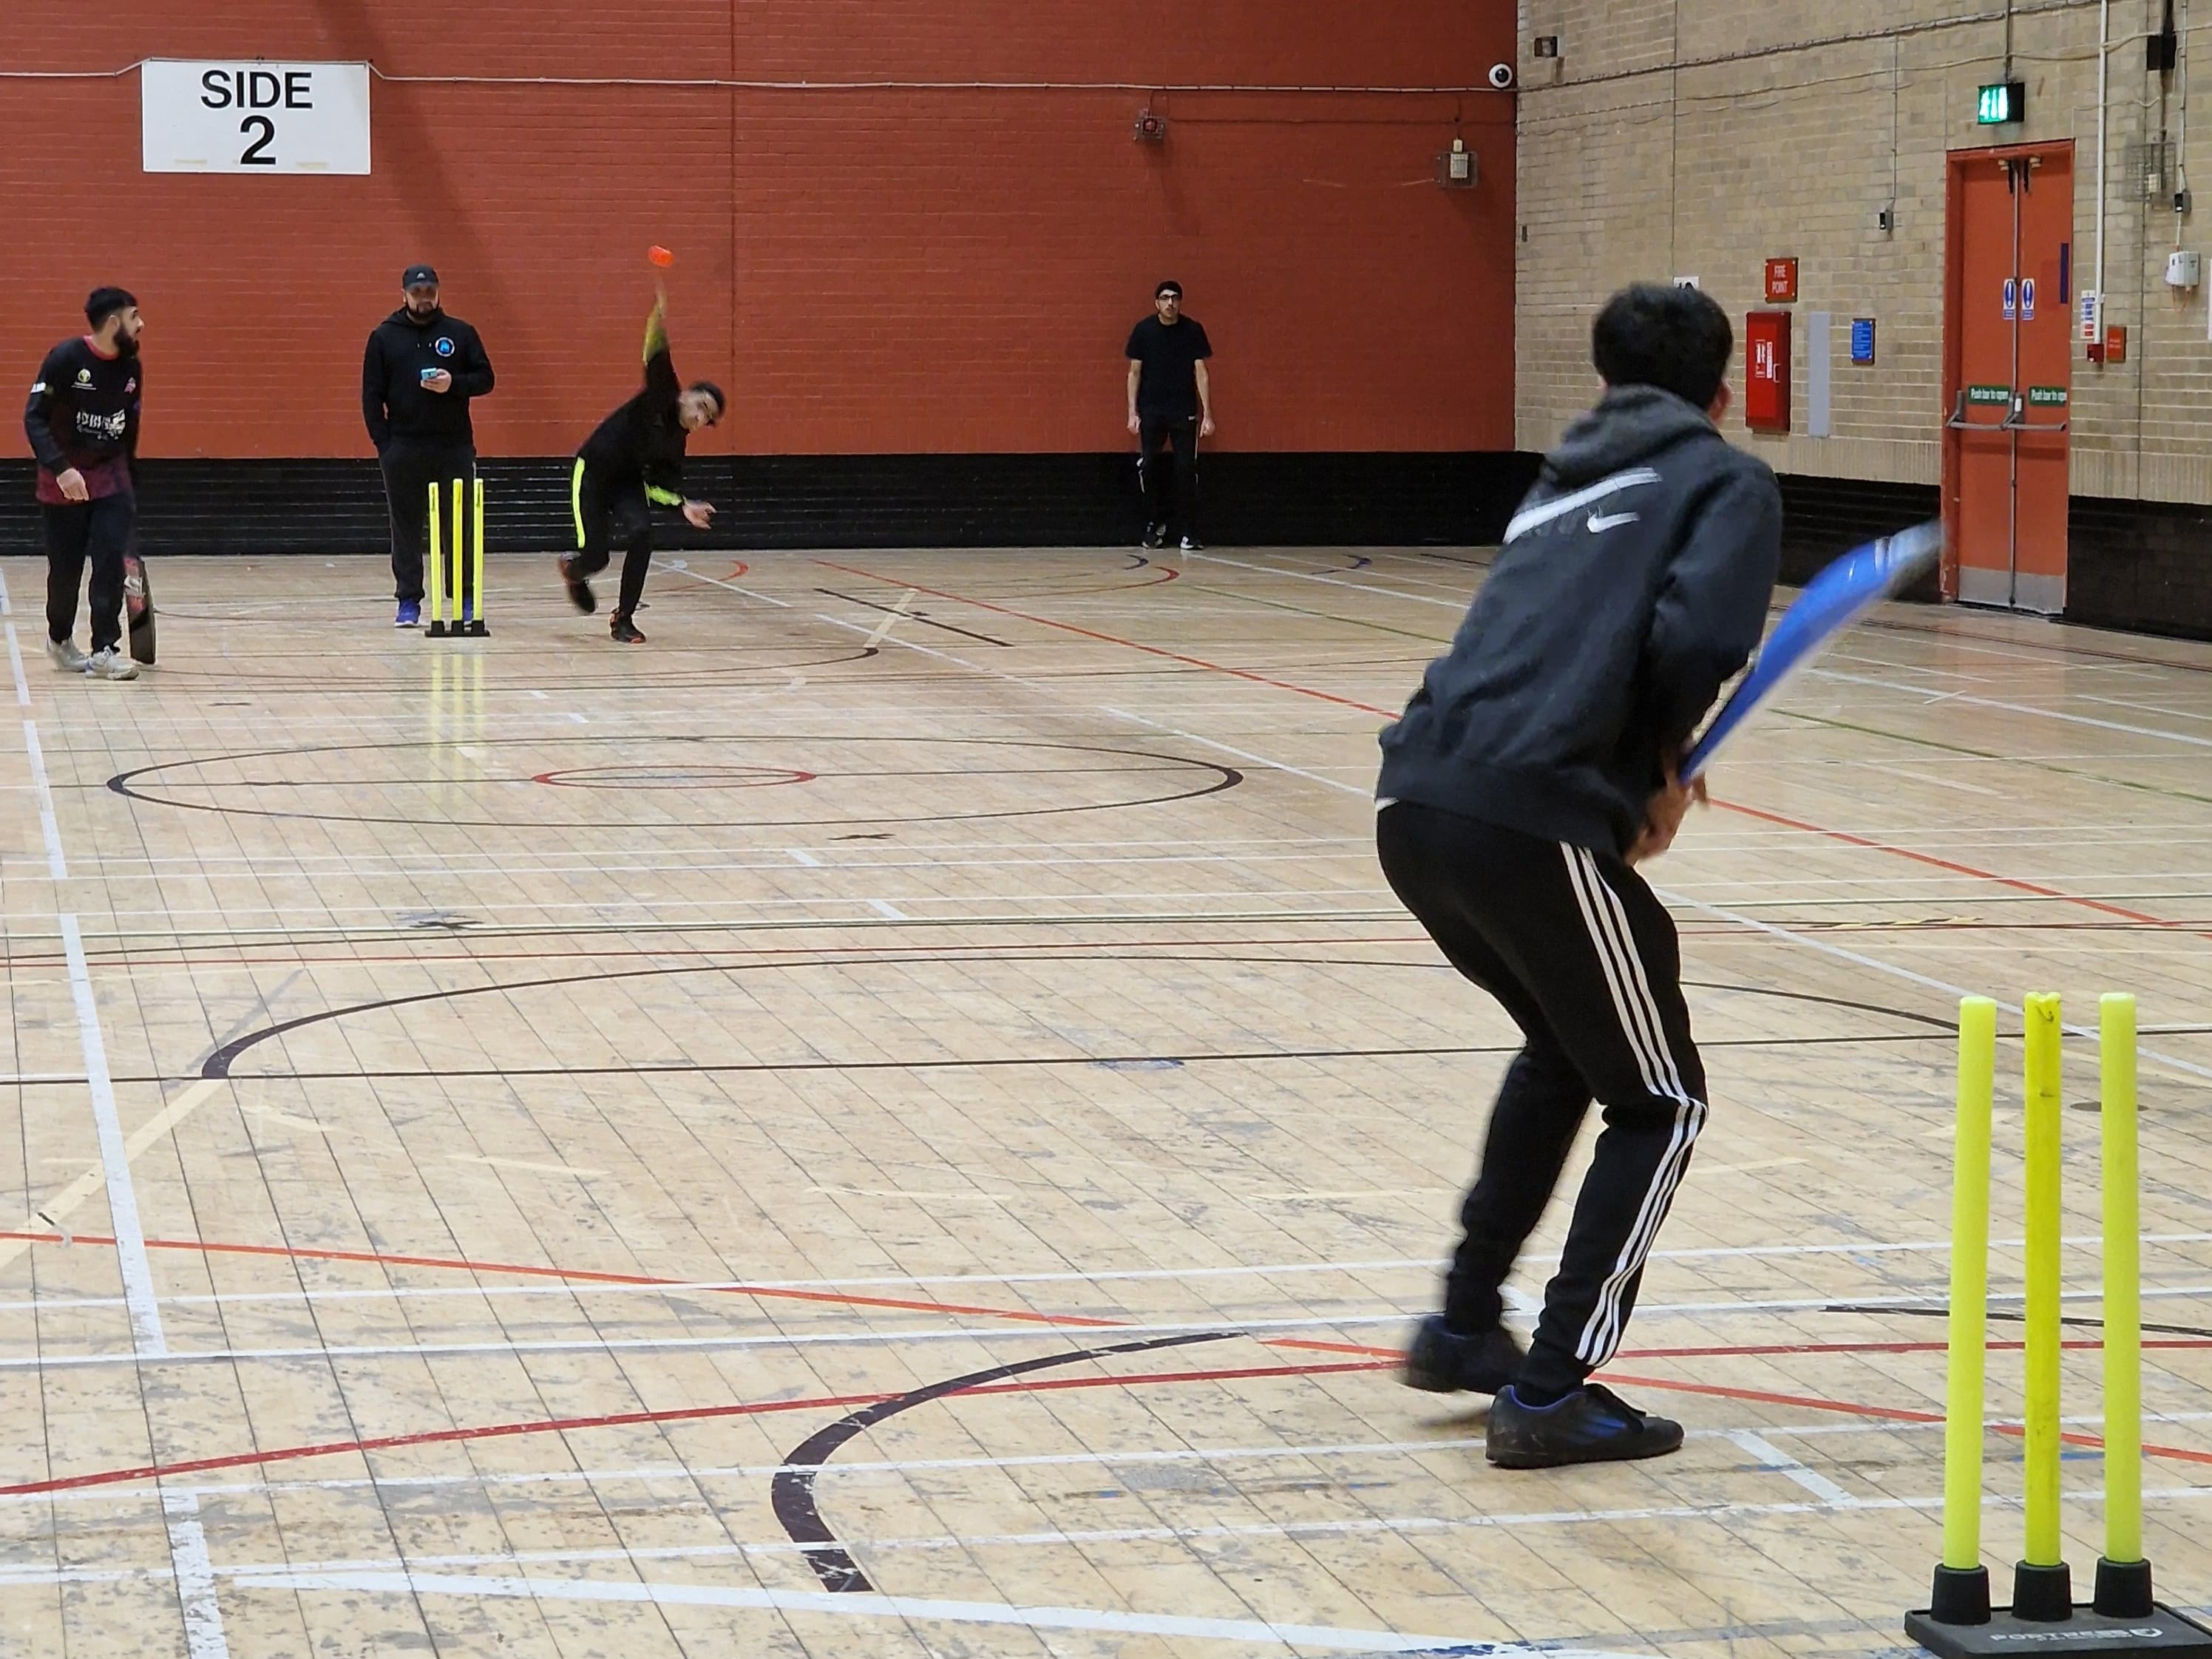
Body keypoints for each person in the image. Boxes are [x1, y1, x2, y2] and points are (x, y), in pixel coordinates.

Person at [1373, 282, 1781, 1469]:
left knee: (1569, 1046)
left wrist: (1632, 771)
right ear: (1720, 394)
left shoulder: (1562, 479)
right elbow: (1701, 640)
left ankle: (1463, 1325)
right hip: (1526, 812)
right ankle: (1552, 1389)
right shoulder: (1725, 478)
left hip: (1415, 804)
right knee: (1661, 1100)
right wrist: (1659, 763)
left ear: (1603, 385)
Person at [558, 282, 722, 643]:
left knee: (643, 533)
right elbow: (655, 350)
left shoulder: (675, 445)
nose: (699, 417)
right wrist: (657, 314)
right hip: (594, 473)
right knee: (596, 556)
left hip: (626, 482)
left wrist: (683, 505)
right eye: (700, 405)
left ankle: (624, 618)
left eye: (706, 418)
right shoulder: (663, 392)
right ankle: (574, 570)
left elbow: (662, 488)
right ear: (687, 395)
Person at [23, 287, 146, 682]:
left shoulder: (131, 368)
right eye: (134, 317)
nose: (141, 325)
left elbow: (130, 426)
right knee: (66, 571)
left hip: (110, 478)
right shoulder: (65, 359)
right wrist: (61, 468)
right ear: (114, 323)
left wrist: (130, 481)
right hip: (64, 480)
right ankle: (60, 639)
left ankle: (105, 649)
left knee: (110, 560)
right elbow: (34, 418)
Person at [363, 264, 495, 628]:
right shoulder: (384, 337)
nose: (424, 298)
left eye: (429, 291)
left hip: (453, 446)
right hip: (403, 448)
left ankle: (464, 597)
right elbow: (371, 396)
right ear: (404, 294)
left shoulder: (460, 333)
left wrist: (454, 383)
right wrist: (384, 445)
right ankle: (408, 601)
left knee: (460, 525)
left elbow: (486, 379)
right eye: (417, 292)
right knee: (406, 526)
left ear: (438, 293)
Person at [1124, 280, 1214, 551]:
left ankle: (1189, 531)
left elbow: (1201, 372)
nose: (1170, 303)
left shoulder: (1192, 331)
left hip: (1183, 411)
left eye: (1175, 298)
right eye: (1165, 298)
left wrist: (1207, 413)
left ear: (1180, 302)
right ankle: (1155, 523)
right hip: (1152, 410)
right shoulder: (1143, 331)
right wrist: (1132, 411)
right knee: (1149, 467)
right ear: (1157, 303)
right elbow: (1134, 373)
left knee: (1186, 471)